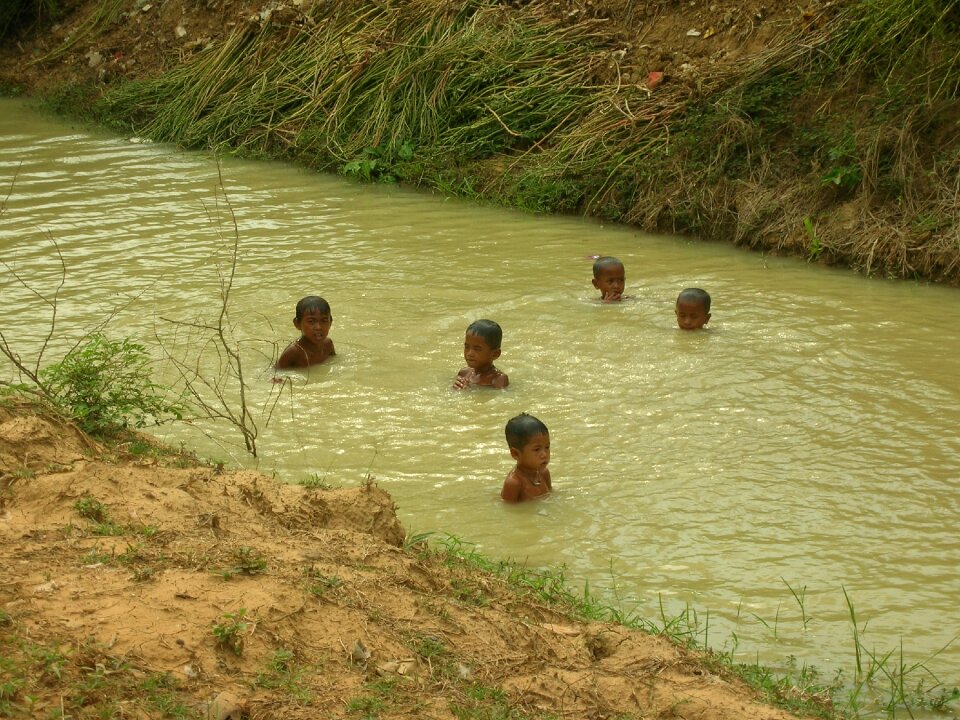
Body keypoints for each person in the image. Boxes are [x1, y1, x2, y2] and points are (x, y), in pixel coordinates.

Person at [274, 296, 336, 370]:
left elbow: (334, 361)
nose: (318, 327)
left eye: (324, 320)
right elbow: (276, 372)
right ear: (297, 324)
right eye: (311, 321)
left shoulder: (328, 344)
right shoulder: (294, 351)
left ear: (330, 322)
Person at [501, 413, 552, 502]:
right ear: (515, 454)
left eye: (547, 447)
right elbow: (508, 511)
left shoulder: (544, 473)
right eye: (537, 449)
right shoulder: (514, 483)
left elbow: (551, 496)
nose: (544, 454)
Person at [453, 319, 509, 390]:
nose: (470, 353)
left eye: (477, 349)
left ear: (495, 354)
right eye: (467, 347)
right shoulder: (464, 373)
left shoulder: (498, 379)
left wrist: (469, 391)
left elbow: (500, 398)